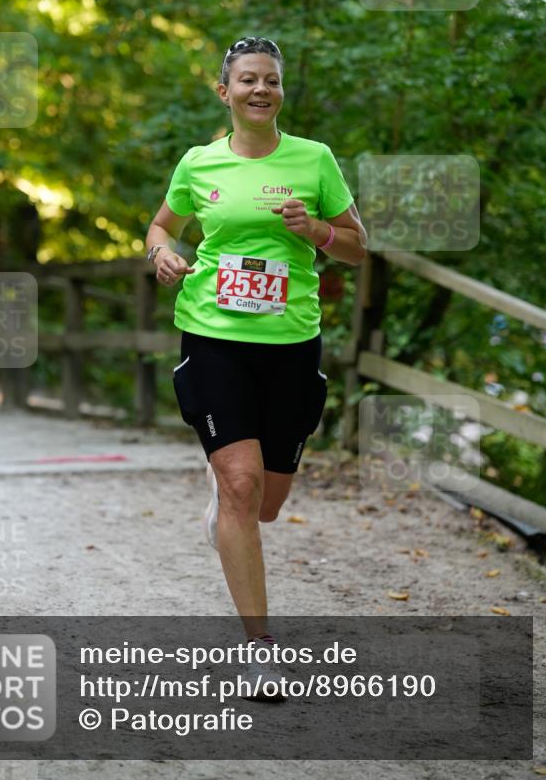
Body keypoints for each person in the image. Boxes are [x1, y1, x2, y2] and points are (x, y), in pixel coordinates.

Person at [146, 36, 367, 697]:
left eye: (270, 80)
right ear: (225, 92)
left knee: (266, 504)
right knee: (240, 486)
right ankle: (260, 648)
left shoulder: (314, 160)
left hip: (290, 343)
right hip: (211, 333)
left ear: (279, 92)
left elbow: (357, 248)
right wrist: (160, 255)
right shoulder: (198, 163)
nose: (260, 90)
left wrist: (316, 232)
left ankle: (229, 499)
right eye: (247, 80)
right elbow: (161, 226)